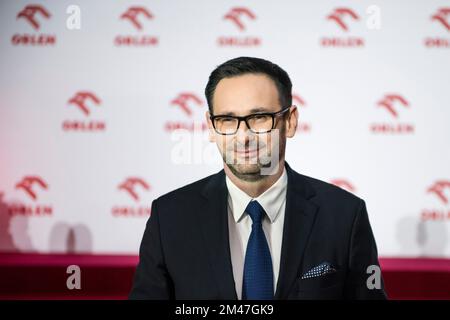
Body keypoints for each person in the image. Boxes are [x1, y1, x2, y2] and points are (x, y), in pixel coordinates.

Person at [129, 57, 387, 299]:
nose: (244, 137)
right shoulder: (170, 217)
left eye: (259, 117)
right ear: (211, 126)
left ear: (290, 121)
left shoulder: (344, 215)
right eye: (228, 120)